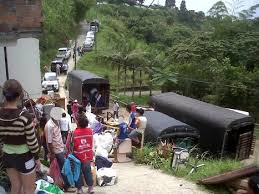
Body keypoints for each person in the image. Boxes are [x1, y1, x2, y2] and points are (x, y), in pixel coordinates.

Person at [0, 79, 40, 194]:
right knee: (29, 190)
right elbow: (32, 142)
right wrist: (37, 158)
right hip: (24, 157)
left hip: (7, 156)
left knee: (15, 186)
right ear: (19, 96)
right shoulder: (24, 116)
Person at [44, 107, 70, 191]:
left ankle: (62, 184)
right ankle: (66, 186)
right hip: (56, 151)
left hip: (60, 148)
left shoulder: (56, 121)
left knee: (61, 168)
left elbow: (57, 136)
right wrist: (52, 153)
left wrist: (63, 146)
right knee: (63, 168)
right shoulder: (49, 126)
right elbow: (49, 142)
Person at [73, 114, 94, 194]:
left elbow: (70, 145)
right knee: (87, 171)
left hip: (77, 156)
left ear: (78, 123)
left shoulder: (74, 132)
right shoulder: (90, 131)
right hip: (87, 155)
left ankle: (80, 189)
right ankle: (91, 188)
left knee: (77, 172)